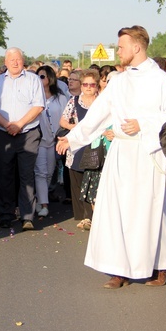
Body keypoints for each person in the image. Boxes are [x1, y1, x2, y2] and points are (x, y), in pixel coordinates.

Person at [57, 26, 166, 289]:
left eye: (122, 46)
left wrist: (145, 123)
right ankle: (118, 268)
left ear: (137, 47)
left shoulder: (161, 80)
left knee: (150, 211)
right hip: (122, 153)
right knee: (118, 211)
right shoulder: (119, 81)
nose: (118, 50)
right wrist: (73, 138)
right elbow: (98, 114)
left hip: (148, 153)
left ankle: (159, 265)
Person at [0, 47, 45, 230]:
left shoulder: (33, 79)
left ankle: (27, 216)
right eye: (11, 60)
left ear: (23, 60)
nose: (15, 63)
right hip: (4, 134)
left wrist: (19, 124)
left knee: (26, 175)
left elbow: (38, 106)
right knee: (4, 175)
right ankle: (6, 214)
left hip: (29, 132)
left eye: (18, 59)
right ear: (5, 61)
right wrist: (7, 124)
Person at [59, 69, 99, 228]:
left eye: (92, 84)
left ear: (97, 86)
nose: (88, 87)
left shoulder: (101, 102)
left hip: (96, 146)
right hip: (76, 146)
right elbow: (62, 121)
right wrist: (73, 127)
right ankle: (83, 215)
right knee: (77, 181)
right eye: (85, 84)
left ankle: (92, 215)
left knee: (92, 181)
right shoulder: (73, 101)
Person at [35, 65, 69, 217]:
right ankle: (44, 204)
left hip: (56, 139)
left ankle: (38, 197)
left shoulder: (60, 98)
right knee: (41, 172)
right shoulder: (34, 97)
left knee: (50, 172)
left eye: (42, 76)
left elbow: (66, 117)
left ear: (50, 78)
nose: (39, 79)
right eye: (37, 76)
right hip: (40, 140)